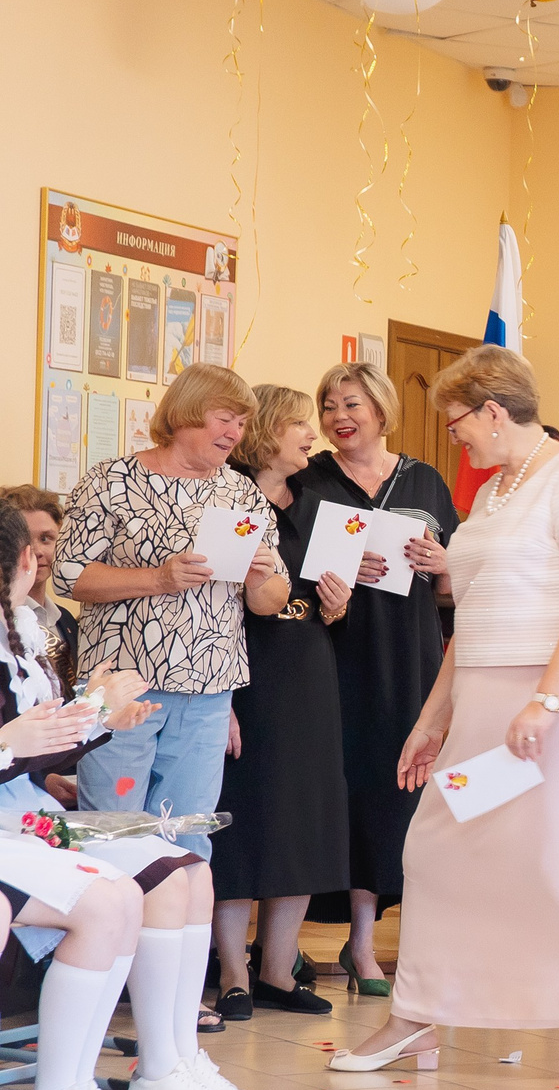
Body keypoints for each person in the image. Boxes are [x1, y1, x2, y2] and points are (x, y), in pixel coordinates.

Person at [327, 346, 559, 1088]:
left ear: (494, 411)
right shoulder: (495, 491)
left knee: (554, 861)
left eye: (459, 421)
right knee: (437, 846)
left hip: (558, 700)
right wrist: (433, 719)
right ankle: (416, 1017)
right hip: (485, 696)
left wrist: (547, 701)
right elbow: (474, 620)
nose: (455, 436)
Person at [0, 500, 254, 1090]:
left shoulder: (27, 633)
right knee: (128, 891)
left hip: (32, 810)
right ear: (26, 561)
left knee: (187, 867)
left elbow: (39, 747)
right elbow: (18, 745)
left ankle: (169, 1061)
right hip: (16, 821)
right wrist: (72, 723)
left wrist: (102, 718)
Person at [54, 363, 292, 856]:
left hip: (207, 693)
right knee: (113, 829)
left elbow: (272, 601)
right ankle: (108, 929)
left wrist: (261, 577)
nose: (234, 433)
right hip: (123, 689)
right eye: (225, 418)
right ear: (185, 413)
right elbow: (68, 575)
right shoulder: (112, 481)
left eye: (242, 423)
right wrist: (157, 578)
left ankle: (178, 932)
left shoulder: (241, 492)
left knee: (186, 836)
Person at [299, 361, 458, 996]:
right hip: (335, 652)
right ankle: (321, 944)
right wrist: (337, 567)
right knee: (345, 794)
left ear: (382, 411)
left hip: (410, 654)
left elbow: (452, 586)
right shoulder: (309, 481)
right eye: (329, 405)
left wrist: (443, 562)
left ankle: (380, 942)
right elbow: (288, 571)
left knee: (402, 797)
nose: (340, 417)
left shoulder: (425, 478)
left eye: (352, 404)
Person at [209, 385, 351, 1018]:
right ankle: (234, 973)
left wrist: (338, 605)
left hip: (309, 672)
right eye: (299, 421)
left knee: (301, 823)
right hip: (247, 673)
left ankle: (277, 969)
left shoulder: (322, 505)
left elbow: (327, 602)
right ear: (267, 429)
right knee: (243, 821)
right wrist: (223, 700)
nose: (312, 433)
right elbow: (210, 606)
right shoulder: (230, 498)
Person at [0, 485, 77, 686]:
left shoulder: (66, 621)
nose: (36, 551)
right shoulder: (4, 621)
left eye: (46, 539)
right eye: (25, 540)